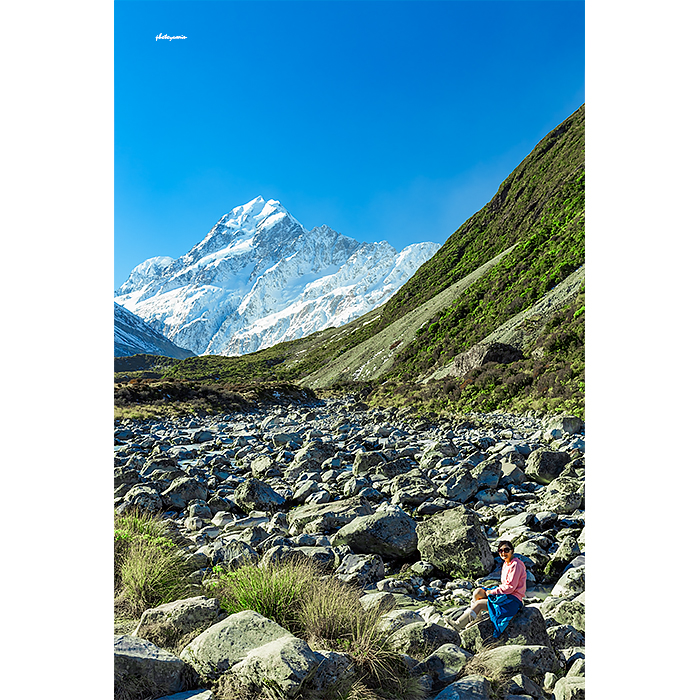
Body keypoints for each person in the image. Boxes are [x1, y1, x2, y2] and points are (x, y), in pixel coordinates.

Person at [448, 540, 527, 637]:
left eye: (506, 550)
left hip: (512, 599)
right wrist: (492, 591)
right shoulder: (506, 564)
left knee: (479, 604)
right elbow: (505, 585)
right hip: (505, 594)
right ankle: (476, 618)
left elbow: (510, 588)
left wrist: (493, 592)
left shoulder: (516, 565)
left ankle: (458, 624)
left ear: (512, 551)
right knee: (478, 592)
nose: (503, 553)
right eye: (500, 551)